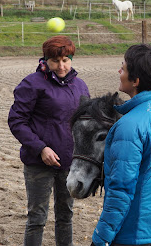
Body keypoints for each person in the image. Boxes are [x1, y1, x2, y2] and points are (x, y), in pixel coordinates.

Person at [91, 44, 151, 246]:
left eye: (123, 68)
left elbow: (121, 190)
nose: (119, 71)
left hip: (134, 232)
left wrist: (101, 238)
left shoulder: (129, 127)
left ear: (136, 81)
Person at [8, 35, 90, 246]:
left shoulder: (80, 86)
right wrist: (41, 148)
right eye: (55, 61)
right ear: (46, 60)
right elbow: (17, 121)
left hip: (69, 163)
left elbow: (85, 124)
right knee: (37, 218)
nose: (61, 66)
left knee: (66, 216)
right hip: (38, 163)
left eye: (66, 60)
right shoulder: (31, 84)